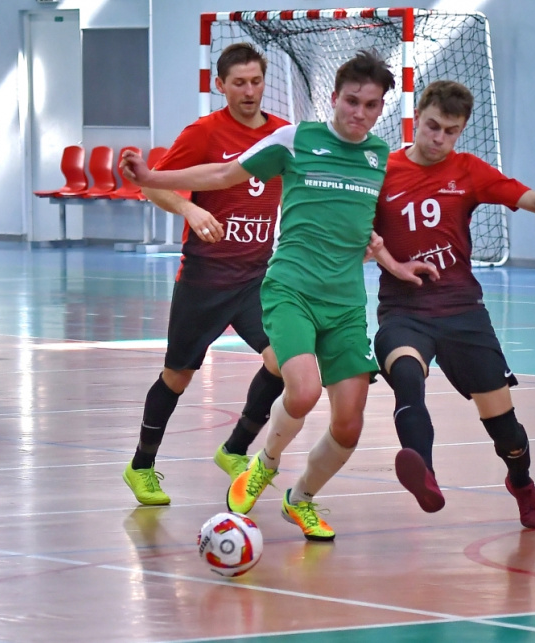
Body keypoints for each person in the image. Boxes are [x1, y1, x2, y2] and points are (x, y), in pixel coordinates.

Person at [121, 50, 435, 540]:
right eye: (352, 101)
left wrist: (394, 263)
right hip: (254, 282)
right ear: (334, 98)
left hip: (318, 294)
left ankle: (284, 485)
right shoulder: (290, 139)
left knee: (342, 418)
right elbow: (221, 175)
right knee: (260, 385)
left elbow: (367, 228)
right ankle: (221, 462)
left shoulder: (378, 158)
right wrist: (156, 183)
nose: (360, 112)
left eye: (371, 105)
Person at [371, 80, 535, 528]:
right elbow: (356, 236)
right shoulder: (382, 172)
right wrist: (382, 257)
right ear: (417, 117)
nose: (439, 139)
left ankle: (521, 482)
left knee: (504, 427)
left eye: (451, 131)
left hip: (462, 312)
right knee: (406, 376)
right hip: (404, 313)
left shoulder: (468, 170)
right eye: (432, 127)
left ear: (461, 131)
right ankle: (424, 474)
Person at [122, 43, 290, 506]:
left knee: (283, 361)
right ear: (220, 85)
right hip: (205, 278)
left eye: (256, 81)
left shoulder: (282, 134)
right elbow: (155, 186)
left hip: (257, 278)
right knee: (177, 376)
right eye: (239, 83)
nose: (249, 91)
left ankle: (235, 449)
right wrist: (190, 209)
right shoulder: (203, 133)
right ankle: (141, 466)